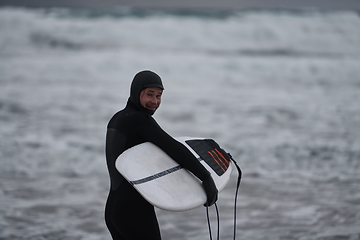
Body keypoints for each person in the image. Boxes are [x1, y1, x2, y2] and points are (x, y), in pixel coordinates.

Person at [104, 70, 218, 240]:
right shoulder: (138, 119)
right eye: (150, 95)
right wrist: (205, 177)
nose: (155, 101)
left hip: (114, 208)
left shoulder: (119, 118)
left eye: (159, 96)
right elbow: (173, 148)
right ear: (136, 93)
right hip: (133, 211)